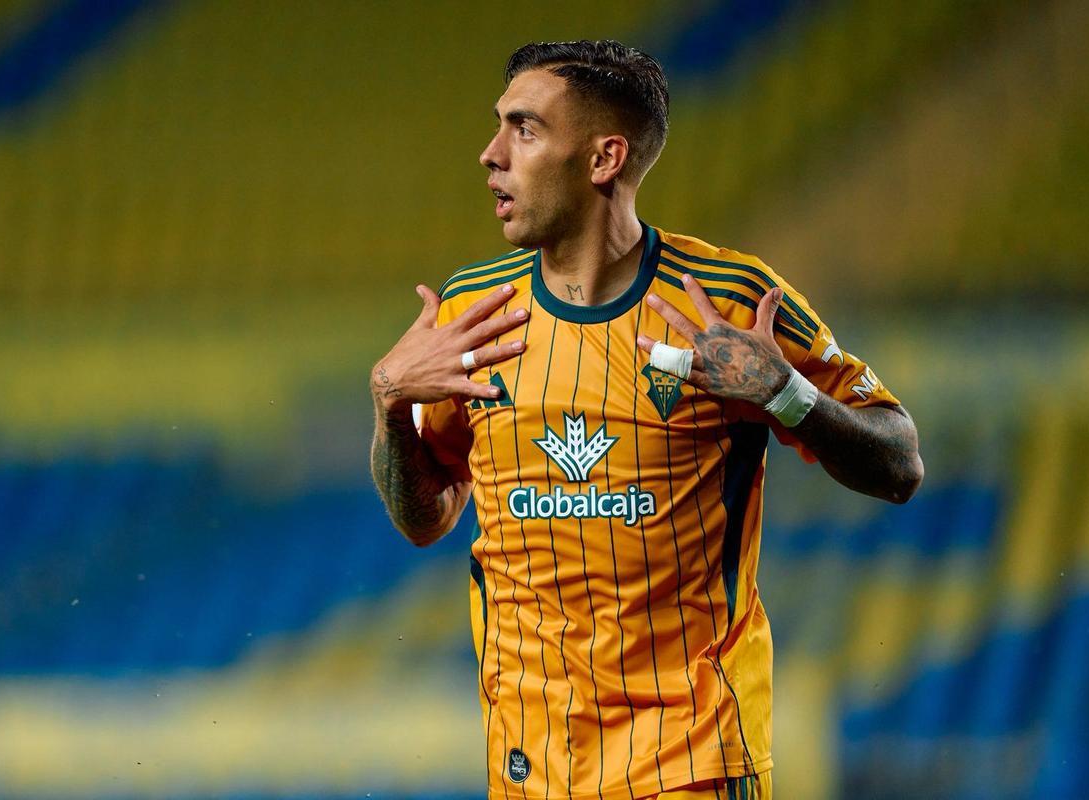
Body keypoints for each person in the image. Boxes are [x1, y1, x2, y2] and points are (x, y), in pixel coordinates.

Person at [369, 40, 922, 800]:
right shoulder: (472, 312)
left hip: (690, 764)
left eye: (523, 130)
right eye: (499, 126)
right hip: (528, 769)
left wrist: (785, 392)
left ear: (604, 159)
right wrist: (392, 407)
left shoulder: (730, 299)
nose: (489, 154)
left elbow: (900, 465)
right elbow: (425, 517)